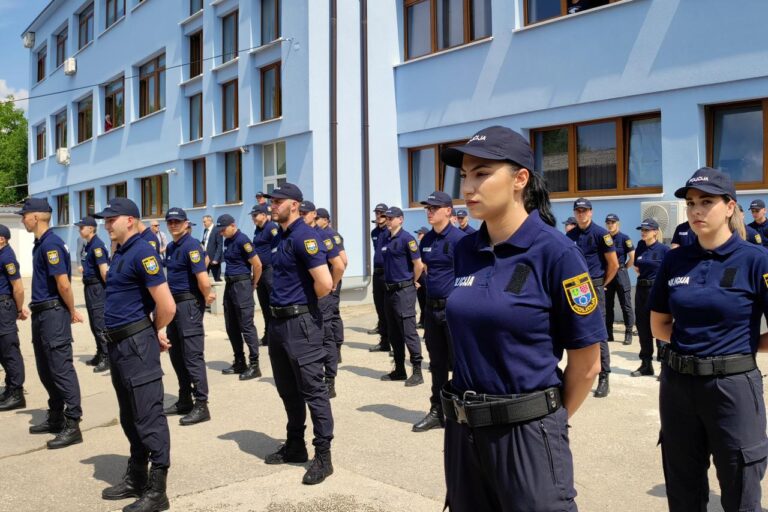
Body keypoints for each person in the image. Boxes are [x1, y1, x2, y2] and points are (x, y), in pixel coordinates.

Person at [439, 126, 603, 511]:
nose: (467, 186)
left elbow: (586, 364)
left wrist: (541, 421)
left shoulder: (557, 254)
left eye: (482, 173)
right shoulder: (466, 250)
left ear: (520, 179)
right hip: (464, 435)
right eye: (464, 175)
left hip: (527, 436)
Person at [650, 167, 768, 512]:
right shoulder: (675, 259)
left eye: (706, 202)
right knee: (683, 486)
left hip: (731, 388)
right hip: (678, 386)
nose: (696, 210)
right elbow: (659, 324)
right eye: (691, 203)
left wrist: (740, 348)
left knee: (740, 488)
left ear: (730, 207)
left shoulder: (756, 260)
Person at [93, 197, 176, 512]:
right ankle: (137, 477)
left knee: (148, 415)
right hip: (119, 346)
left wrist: (153, 331)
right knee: (130, 415)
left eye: (111, 219)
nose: (106, 224)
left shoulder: (143, 251)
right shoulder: (121, 251)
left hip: (136, 346)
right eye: (105, 220)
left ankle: (157, 490)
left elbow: (166, 305)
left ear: (129, 219)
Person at [261, 183, 335, 485]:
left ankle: (323, 456)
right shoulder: (282, 237)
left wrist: (304, 310)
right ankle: (295, 445)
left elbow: (325, 282)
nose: (272, 205)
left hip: (300, 323)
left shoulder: (306, 237)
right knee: (287, 390)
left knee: (313, 391)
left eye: (278, 201)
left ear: (294, 205)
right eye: (271, 201)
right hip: (278, 325)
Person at [17, 198, 84, 449]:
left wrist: (71, 310)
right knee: (46, 369)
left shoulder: (52, 244)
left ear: (36, 217)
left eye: (25, 215)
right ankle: (56, 415)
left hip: (53, 313)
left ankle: (72, 422)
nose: (23, 219)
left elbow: (63, 283)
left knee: (60, 368)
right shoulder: (42, 243)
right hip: (42, 313)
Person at [412, 192, 466, 433]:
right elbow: (424, 268)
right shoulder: (426, 240)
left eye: (435, 207)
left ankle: (463, 410)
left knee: (461, 363)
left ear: (448, 211)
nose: (429, 211)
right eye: (428, 208)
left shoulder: (460, 240)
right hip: (432, 310)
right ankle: (438, 410)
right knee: (437, 363)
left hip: (453, 311)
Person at [163, 208, 215, 426]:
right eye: (170, 221)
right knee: (176, 354)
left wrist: (207, 294)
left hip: (188, 304)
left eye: (177, 221)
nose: (173, 224)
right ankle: (185, 398)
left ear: (186, 224)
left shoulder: (191, 245)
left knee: (192, 355)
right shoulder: (172, 247)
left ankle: (201, 404)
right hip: (174, 305)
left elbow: (202, 277)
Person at [566, 197, 618, 397]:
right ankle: (577, 374)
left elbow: (613, 264)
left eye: (585, 210)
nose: (581, 214)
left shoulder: (601, 234)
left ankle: (604, 376)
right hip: (574, 288)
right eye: (578, 210)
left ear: (591, 212)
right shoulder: (570, 235)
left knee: (598, 332)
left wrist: (600, 284)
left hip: (594, 287)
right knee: (573, 330)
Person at [300, 202, 346, 398]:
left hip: (323, 293)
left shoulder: (325, 235)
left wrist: (332, 285)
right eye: (299, 212)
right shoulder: (301, 234)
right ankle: (313, 376)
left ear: (313, 214)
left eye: (306, 213)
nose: (302, 216)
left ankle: (330, 380)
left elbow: (340, 264)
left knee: (326, 334)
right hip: (307, 293)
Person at [380, 206, 424, 385]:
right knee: (393, 332)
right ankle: (399, 369)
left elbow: (418, 264)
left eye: (391, 218)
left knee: (408, 331)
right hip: (389, 290)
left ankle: (417, 371)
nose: (388, 221)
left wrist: (413, 281)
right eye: (387, 218)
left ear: (401, 220)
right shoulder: (386, 238)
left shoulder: (407, 239)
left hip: (404, 290)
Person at [217, 214, 263, 380]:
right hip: (230, 285)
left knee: (246, 325)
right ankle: (239, 361)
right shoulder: (228, 240)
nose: (221, 232)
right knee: (231, 326)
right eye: (220, 230)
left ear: (233, 225)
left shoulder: (243, 240)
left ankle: (254, 364)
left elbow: (257, 264)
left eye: (223, 229)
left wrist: (253, 284)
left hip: (242, 285)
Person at [630, 218, 668, 377]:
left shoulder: (664, 250)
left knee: (659, 329)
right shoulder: (640, 246)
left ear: (655, 232)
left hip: (656, 290)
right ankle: (646, 364)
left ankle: (665, 367)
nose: (643, 232)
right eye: (642, 230)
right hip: (641, 290)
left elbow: (668, 271)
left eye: (647, 230)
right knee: (643, 327)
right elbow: (637, 267)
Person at [75, 216, 111, 373]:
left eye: (82, 227)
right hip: (89, 287)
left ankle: (107, 356)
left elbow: (104, 271)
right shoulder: (88, 245)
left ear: (91, 228)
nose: (79, 229)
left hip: (97, 288)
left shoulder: (97, 246)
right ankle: (100, 352)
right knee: (93, 323)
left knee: (99, 323)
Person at [316, 207, 348, 373]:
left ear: (326, 220)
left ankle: (336, 349)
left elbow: (343, 261)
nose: (315, 220)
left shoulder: (331, 235)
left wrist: (334, 281)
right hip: (326, 281)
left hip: (331, 281)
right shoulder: (318, 234)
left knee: (332, 314)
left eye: (318, 218)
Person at [0, 224, 27, 412]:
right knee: (2, 350)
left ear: (2, 239)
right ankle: (10, 387)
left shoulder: (8, 257)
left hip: (5, 306)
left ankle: (17, 392)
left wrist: (19, 309)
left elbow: (17, 287)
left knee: (9, 349)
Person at [604, 213, 635, 345]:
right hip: (609, 274)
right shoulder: (604, 238)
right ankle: (609, 333)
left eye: (613, 222)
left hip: (621, 273)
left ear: (618, 224)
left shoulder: (624, 238)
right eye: (608, 223)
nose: (611, 225)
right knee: (608, 306)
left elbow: (632, 257)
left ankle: (628, 333)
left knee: (626, 305)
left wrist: (623, 268)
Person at [251, 204, 279, 345]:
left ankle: (276, 335)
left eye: (255, 215)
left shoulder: (271, 228)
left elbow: (277, 248)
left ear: (263, 214)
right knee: (264, 305)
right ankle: (268, 335)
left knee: (273, 303)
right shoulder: (258, 229)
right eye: (252, 216)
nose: (253, 218)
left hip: (269, 270)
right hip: (259, 271)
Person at [368, 203, 391, 353]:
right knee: (380, 310)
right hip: (377, 273)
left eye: (381, 214)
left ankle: (396, 344)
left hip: (389, 273)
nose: (378, 215)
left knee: (391, 311)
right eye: (377, 213)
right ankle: (384, 342)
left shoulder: (390, 232)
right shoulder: (374, 232)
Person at [413, 226, 429, 329]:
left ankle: (427, 321)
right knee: (421, 299)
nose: (418, 235)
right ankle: (422, 321)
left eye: (420, 233)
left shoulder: (428, 245)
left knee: (427, 299)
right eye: (418, 233)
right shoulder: (419, 246)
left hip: (425, 275)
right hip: (419, 275)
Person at [201, 215, 223, 282]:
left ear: (210, 221)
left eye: (204, 222)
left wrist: (216, 259)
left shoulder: (217, 230)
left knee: (217, 280)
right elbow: (204, 242)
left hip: (214, 260)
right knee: (204, 278)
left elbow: (220, 245)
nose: (203, 224)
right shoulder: (205, 230)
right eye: (203, 222)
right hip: (205, 258)